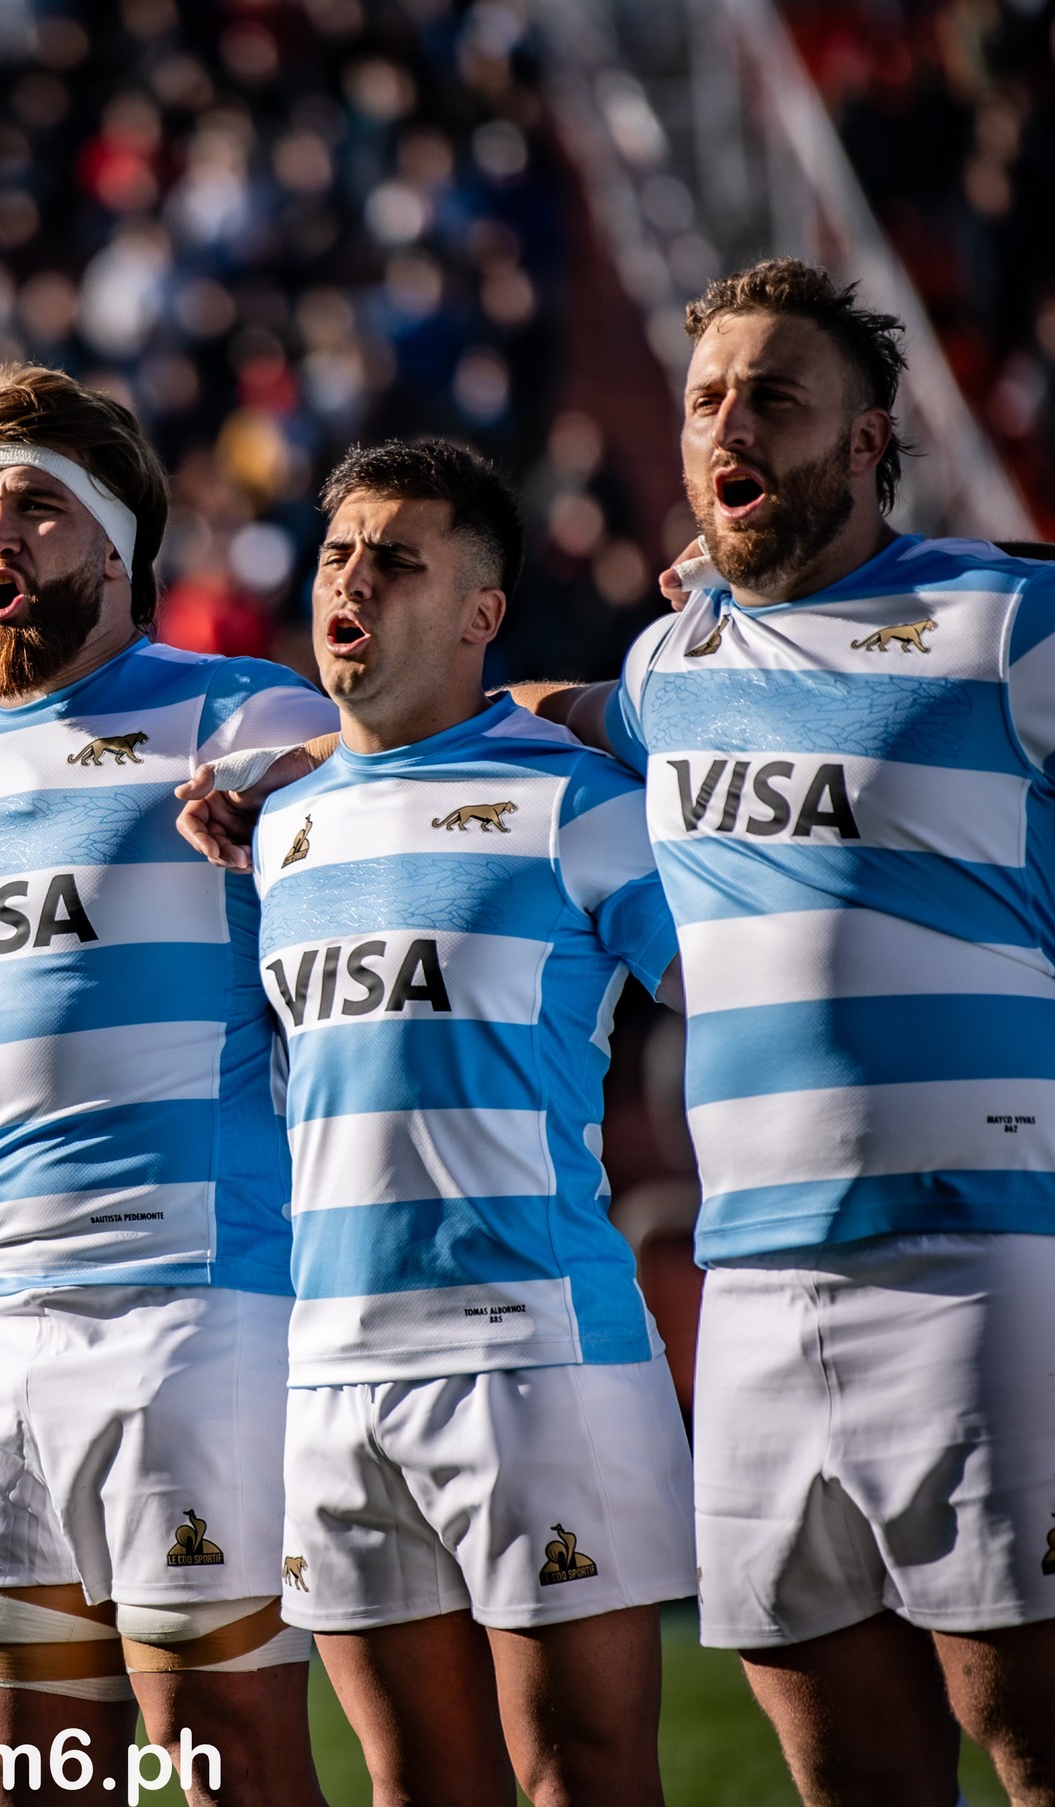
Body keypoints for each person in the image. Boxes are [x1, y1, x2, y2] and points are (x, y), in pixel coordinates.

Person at [520, 259, 1055, 1807]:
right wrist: (314, 766)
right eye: (706, 402)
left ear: (870, 440)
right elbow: (544, 716)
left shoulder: (1004, 622)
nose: (729, 422)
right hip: (752, 1293)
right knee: (846, 1775)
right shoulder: (668, 664)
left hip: (982, 1266)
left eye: (775, 396)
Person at [0, 364, 340, 1806]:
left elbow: (423, 778)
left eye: (32, 505)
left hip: (208, 1317)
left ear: (120, 543)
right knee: (28, 1785)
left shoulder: (247, 718)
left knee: (231, 1766)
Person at [247, 439, 693, 1806]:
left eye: (397, 560)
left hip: (537, 1357)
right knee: (414, 1787)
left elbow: (751, 998)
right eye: (338, 557)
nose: (354, 583)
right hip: (327, 1369)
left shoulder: (585, 807)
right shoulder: (273, 829)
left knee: (581, 1780)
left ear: (482, 614)